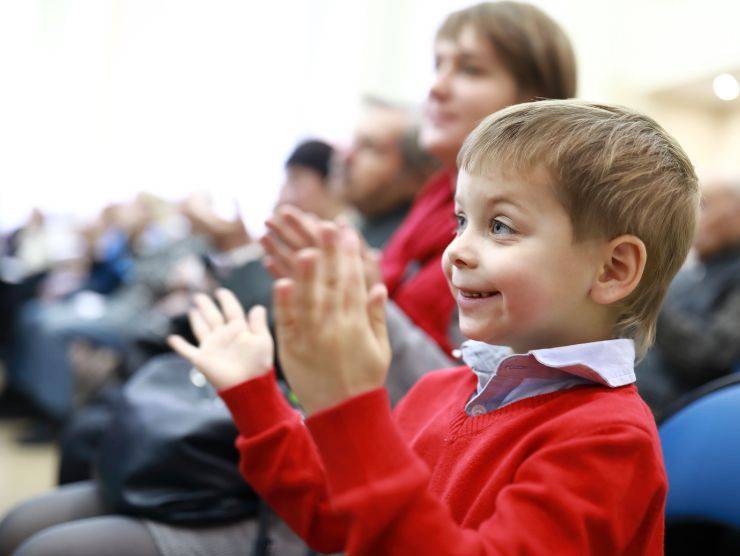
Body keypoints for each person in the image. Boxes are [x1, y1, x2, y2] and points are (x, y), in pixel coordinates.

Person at [168, 99, 699, 555]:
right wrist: (254, 394)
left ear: (612, 270)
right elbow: (335, 515)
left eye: (501, 226)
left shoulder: (608, 440)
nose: (457, 250)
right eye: (461, 221)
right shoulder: (443, 388)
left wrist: (351, 407)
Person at [263, 0, 577, 356]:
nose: (436, 88)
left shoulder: (549, 217)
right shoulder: (435, 197)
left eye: (470, 70)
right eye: (437, 66)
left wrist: (362, 301)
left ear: (534, 100)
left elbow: (485, 389)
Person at [637, 179, 740, 413]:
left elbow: (711, 356)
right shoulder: (687, 277)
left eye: (703, 206)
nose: (691, 219)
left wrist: (650, 298)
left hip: (676, 411)